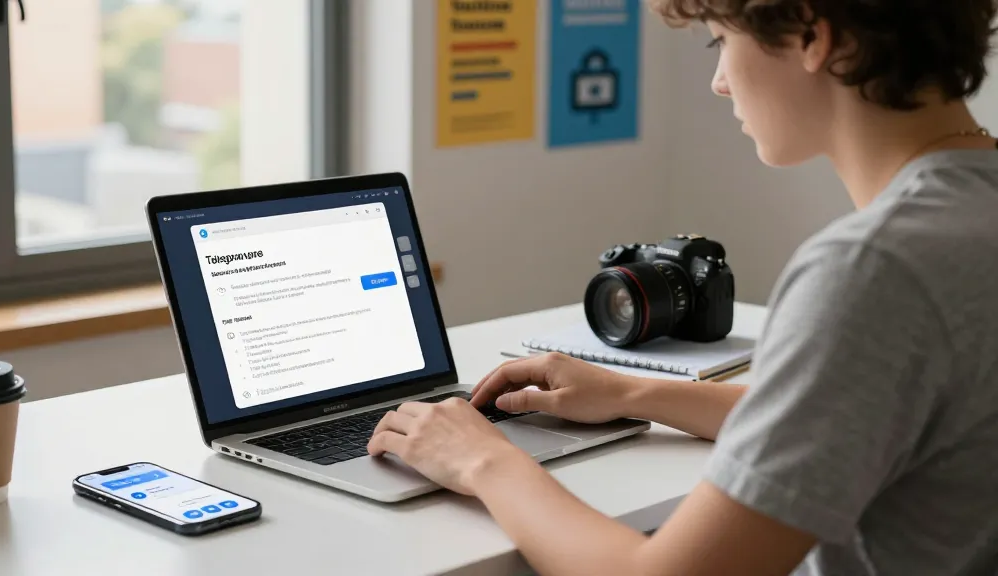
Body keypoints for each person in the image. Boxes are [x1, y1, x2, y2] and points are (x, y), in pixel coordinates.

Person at [366, 1, 998, 574]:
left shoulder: (874, 269)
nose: (719, 80)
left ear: (812, 35)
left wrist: (483, 460)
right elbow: (861, 412)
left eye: (718, 40)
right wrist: (631, 391)